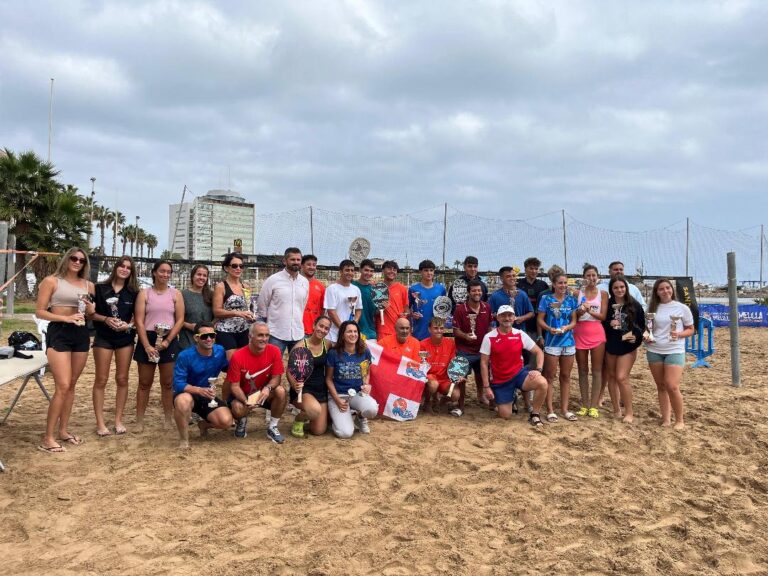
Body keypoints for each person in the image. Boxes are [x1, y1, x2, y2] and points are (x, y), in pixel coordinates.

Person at [36, 247, 95, 453]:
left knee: (71, 385)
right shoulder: (52, 281)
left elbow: (90, 313)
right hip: (59, 331)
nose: (77, 262)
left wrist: (90, 309)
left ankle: (63, 431)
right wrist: (65, 318)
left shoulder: (89, 285)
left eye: (81, 260)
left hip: (80, 334)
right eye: (74, 258)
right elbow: (40, 311)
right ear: (66, 259)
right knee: (62, 385)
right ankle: (48, 437)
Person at [134, 260, 185, 431]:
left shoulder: (175, 294)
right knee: (144, 382)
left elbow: (180, 320)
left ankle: (168, 419)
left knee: (168, 383)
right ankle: (139, 420)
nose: (165, 274)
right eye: (162, 271)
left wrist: (168, 341)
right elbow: (139, 321)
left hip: (168, 338)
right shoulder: (144, 294)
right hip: (147, 337)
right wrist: (147, 345)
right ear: (154, 272)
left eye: (168, 272)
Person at [91, 256, 138, 436]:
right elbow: (91, 314)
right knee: (101, 379)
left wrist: (129, 325)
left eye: (128, 267)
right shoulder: (100, 288)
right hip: (103, 337)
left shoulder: (134, 292)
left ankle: (118, 420)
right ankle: (100, 423)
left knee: (122, 379)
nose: (124, 269)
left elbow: (138, 317)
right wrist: (106, 319)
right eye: (121, 266)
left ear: (131, 271)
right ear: (115, 267)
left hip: (124, 339)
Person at [480, 306, 548, 427]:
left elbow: (539, 352)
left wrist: (538, 369)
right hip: (500, 380)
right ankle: (512, 396)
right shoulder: (489, 337)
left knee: (542, 383)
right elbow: (484, 363)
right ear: (498, 318)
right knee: (505, 415)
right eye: (504, 315)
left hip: (519, 374)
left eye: (510, 315)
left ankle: (535, 414)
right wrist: (486, 386)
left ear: (514, 317)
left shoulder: (520, 334)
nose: (507, 318)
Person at [172, 322, 232, 449]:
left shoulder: (220, 351)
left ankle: (204, 425)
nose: (209, 339)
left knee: (226, 422)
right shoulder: (185, 355)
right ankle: (184, 439)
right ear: (196, 338)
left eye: (212, 335)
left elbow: (228, 368)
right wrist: (198, 390)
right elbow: (178, 384)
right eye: (204, 336)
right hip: (188, 393)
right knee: (183, 401)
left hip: (208, 394)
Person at [226, 321, 286, 443]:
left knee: (280, 391)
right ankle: (242, 421)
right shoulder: (238, 356)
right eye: (260, 335)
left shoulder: (275, 351)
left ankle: (272, 427)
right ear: (250, 336)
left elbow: (277, 378)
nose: (264, 339)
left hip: (263, 393)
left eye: (267, 335)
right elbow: (235, 386)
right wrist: (246, 401)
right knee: (237, 408)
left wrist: (268, 388)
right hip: (245, 394)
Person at [645, 278, 694, 430]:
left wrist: (679, 335)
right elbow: (648, 328)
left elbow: (691, 329)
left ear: (672, 290)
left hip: (674, 350)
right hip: (654, 350)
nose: (665, 291)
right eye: (661, 289)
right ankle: (666, 419)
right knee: (661, 386)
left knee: (672, 385)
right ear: (657, 292)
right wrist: (646, 335)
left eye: (668, 288)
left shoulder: (682, 308)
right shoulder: (652, 307)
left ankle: (679, 420)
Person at [602, 276, 645, 423]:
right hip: (611, 344)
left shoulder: (635, 304)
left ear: (626, 288)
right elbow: (601, 323)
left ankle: (629, 412)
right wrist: (609, 323)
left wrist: (636, 336)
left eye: (622, 287)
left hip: (628, 345)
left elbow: (642, 326)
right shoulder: (607, 304)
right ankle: (616, 410)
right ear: (611, 289)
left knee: (622, 377)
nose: (619, 290)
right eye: (616, 288)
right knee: (612, 377)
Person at [326, 321, 379, 438]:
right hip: (339, 395)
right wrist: (337, 399)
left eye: (355, 331)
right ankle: (336, 420)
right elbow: (328, 379)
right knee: (345, 433)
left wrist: (366, 384)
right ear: (342, 335)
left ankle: (360, 418)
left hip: (356, 393)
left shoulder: (364, 351)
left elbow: (366, 373)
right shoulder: (334, 353)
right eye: (349, 331)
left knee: (372, 409)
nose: (353, 334)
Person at [537, 272, 578, 423]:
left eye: (565, 283)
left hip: (568, 342)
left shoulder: (571, 300)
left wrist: (567, 327)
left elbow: (574, 321)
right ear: (553, 284)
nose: (563, 286)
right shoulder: (546, 299)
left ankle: (565, 409)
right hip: (552, 342)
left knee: (566, 377)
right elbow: (540, 319)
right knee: (550, 377)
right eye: (560, 283)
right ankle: (550, 410)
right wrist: (548, 329)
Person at [256, 247, 309, 354]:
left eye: (298, 260)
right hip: (276, 333)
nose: (296, 262)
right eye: (292, 259)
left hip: (298, 333)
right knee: (272, 367)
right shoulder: (273, 280)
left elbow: (302, 305)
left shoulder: (304, 282)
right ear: (285, 261)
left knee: (298, 368)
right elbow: (262, 304)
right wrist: (266, 325)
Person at [287, 315, 332, 438]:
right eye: (321, 326)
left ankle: (310, 415)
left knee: (318, 431)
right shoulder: (300, 346)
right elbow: (289, 371)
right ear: (314, 325)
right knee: (315, 411)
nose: (323, 330)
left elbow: (342, 350)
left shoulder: (327, 345)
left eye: (326, 328)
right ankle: (299, 419)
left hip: (320, 389)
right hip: (303, 389)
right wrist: (294, 385)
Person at [572, 264, 608, 419]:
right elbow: (574, 317)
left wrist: (589, 310)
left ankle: (593, 406)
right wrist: (579, 312)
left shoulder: (603, 293)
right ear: (584, 277)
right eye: (588, 276)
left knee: (597, 370)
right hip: (580, 332)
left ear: (598, 276)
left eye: (594, 275)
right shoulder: (577, 293)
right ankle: (585, 404)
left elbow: (603, 317)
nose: (591, 278)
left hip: (596, 332)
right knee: (582, 370)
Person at [452, 280, 493, 407]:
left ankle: (481, 396)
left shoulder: (487, 307)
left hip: (482, 350)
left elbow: (490, 326)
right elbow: (455, 330)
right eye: (474, 290)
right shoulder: (460, 309)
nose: (477, 293)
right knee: (461, 378)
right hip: (464, 350)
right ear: (468, 292)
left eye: (479, 290)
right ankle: (461, 403)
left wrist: (490, 339)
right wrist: (465, 336)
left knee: (482, 375)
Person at [419, 317, 464, 416]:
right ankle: (427, 403)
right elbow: (421, 366)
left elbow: (453, 363)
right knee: (433, 384)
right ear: (429, 329)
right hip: (430, 377)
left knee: (455, 394)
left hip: (445, 378)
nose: (439, 331)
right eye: (435, 328)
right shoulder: (422, 344)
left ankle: (442, 400)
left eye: (441, 328)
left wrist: (457, 375)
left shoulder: (450, 343)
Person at [213, 253, 254, 360]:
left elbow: (249, 308)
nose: (238, 268)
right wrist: (238, 313)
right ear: (226, 268)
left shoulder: (246, 286)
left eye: (241, 266)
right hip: (226, 331)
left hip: (244, 330)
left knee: (244, 365)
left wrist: (252, 315)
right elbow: (216, 311)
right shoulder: (221, 286)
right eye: (234, 266)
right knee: (233, 364)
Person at [323, 259, 362, 343]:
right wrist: (343, 329)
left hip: (348, 335)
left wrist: (355, 322)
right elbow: (331, 312)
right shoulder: (332, 289)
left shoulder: (356, 289)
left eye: (352, 270)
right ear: (340, 272)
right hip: (333, 335)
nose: (350, 272)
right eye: (347, 270)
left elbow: (358, 309)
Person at [409, 259, 446, 340]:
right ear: (420, 272)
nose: (429, 273)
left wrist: (443, 318)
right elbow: (407, 309)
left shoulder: (441, 289)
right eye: (426, 270)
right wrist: (412, 314)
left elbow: (445, 310)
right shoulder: (413, 289)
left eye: (431, 270)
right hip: (419, 333)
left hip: (436, 333)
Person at [179, 264, 214, 350]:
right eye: (199, 274)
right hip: (187, 340)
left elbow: (217, 316)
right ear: (192, 276)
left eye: (204, 275)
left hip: (207, 340)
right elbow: (177, 318)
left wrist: (208, 328)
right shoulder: (182, 294)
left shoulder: (211, 295)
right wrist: (190, 326)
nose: (201, 277)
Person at [517, 257, 549, 348]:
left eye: (536, 269)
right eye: (531, 268)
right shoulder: (518, 285)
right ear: (525, 269)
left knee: (539, 352)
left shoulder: (543, 285)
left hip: (539, 325)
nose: (534, 271)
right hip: (523, 325)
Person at [375, 260, 409, 341]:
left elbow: (406, 308)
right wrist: (381, 308)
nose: (392, 271)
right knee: (384, 354)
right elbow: (373, 312)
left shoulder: (402, 288)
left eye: (394, 269)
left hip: (399, 331)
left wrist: (405, 315)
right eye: (389, 269)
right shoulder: (377, 288)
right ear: (383, 271)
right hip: (383, 331)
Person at [352, 259, 378, 342]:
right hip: (352, 332)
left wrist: (382, 308)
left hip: (370, 334)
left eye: (371, 271)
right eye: (366, 270)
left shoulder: (375, 290)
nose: (369, 273)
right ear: (360, 270)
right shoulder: (351, 286)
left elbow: (375, 312)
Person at [301, 254, 326, 336]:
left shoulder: (320, 286)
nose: (311, 267)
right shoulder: (295, 283)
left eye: (314, 265)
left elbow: (322, 309)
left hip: (314, 330)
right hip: (298, 330)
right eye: (308, 264)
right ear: (302, 266)